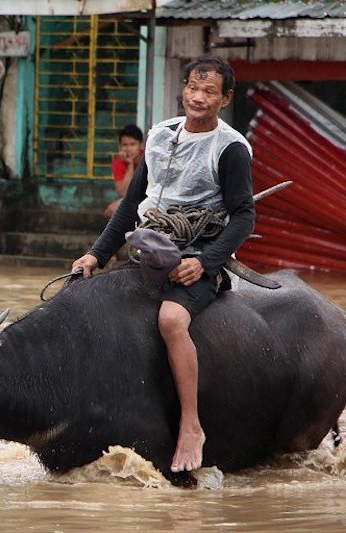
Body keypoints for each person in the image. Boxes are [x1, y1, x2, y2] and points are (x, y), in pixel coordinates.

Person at [71, 56, 255, 473]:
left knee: (172, 319)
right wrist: (95, 255)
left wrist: (206, 263)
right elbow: (132, 205)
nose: (198, 97)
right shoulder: (158, 136)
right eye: (193, 87)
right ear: (183, 89)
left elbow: (244, 215)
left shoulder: (230, 149)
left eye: (209, 92)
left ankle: (191, 425)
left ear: (225, 98)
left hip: (198, 254)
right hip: (149, 249)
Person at [105, 124, 144, 219]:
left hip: (150, 197)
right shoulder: (118, 162)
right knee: (111, 211)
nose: (128, 149)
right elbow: (123, 192)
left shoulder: (148, 158)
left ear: (141, 145)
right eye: (125, 145)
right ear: (120, 147)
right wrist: (130, 165)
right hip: (133, 198)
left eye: (132, 144)